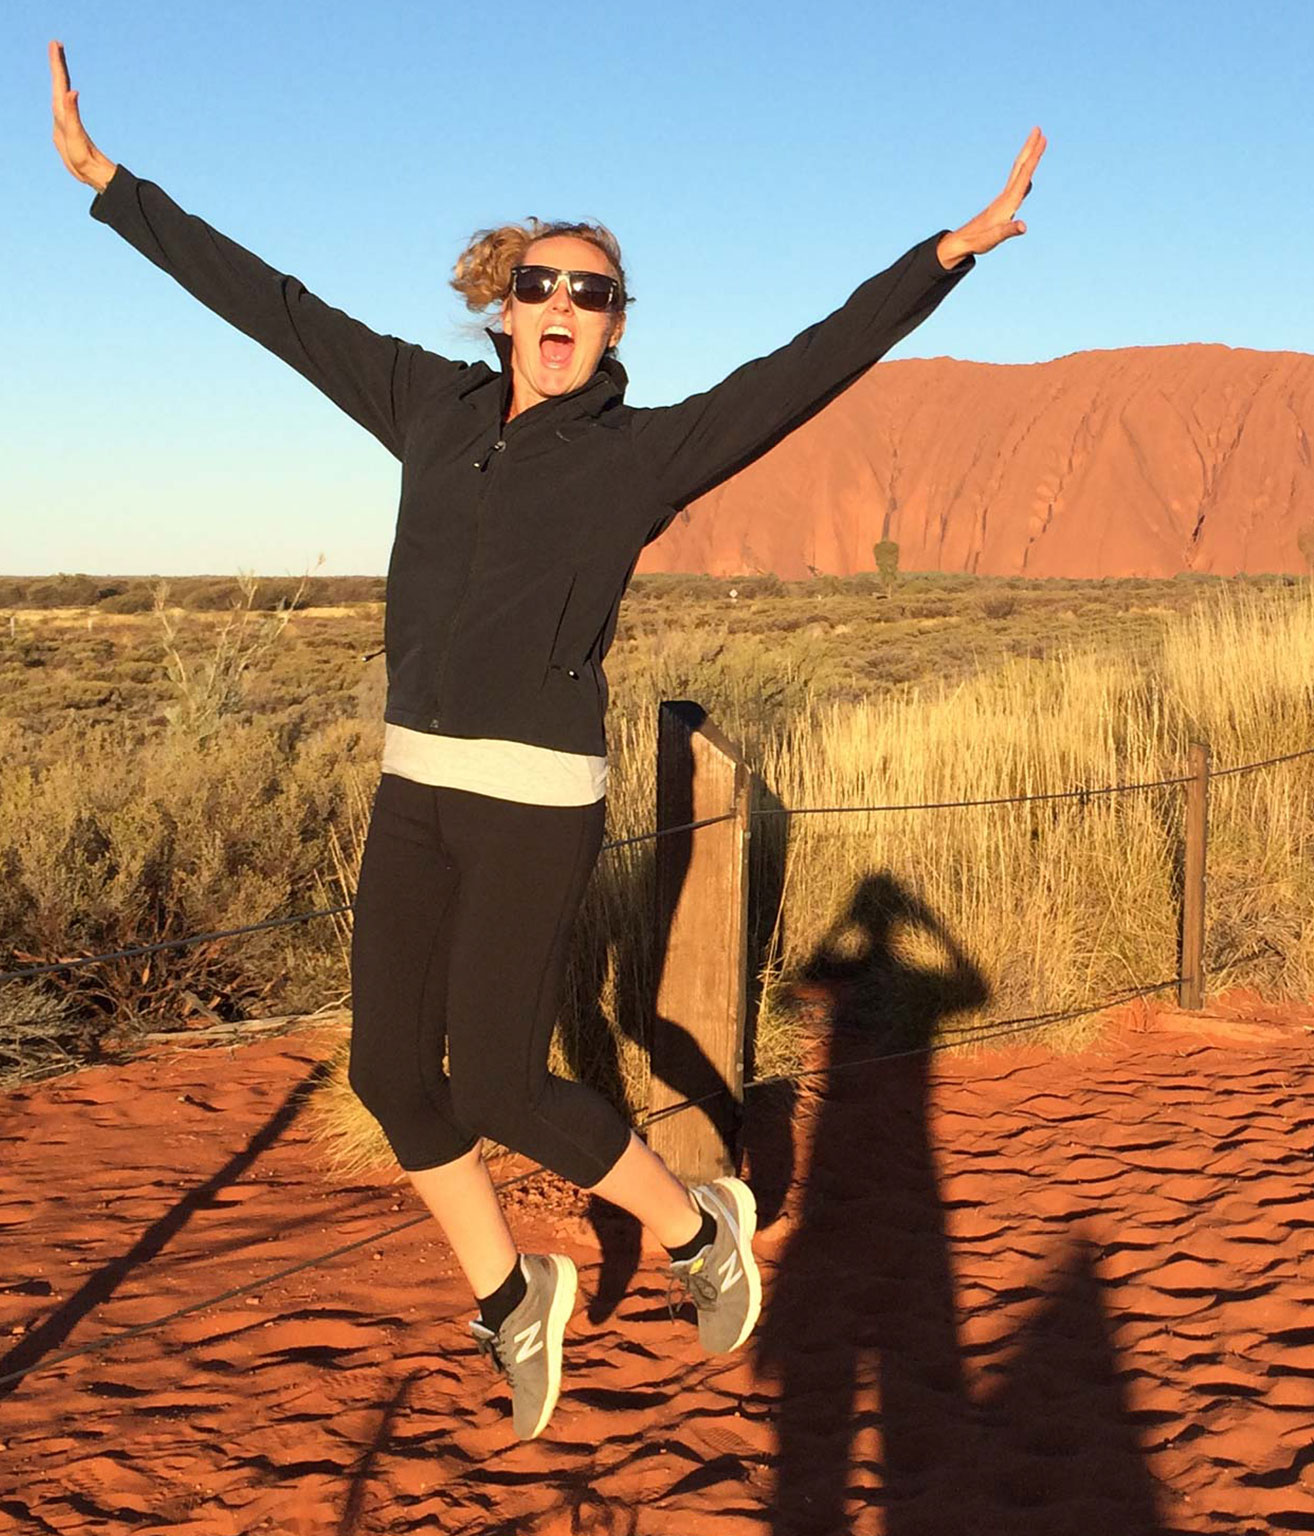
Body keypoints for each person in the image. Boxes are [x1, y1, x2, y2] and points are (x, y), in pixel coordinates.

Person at [49, 39, 1043, 1442]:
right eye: (542, 284)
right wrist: (109, 184)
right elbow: (271, 306)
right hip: (416, 791)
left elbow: (807, 369)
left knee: (505, 1079)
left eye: (593, 291)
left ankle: (698, 1227)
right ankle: (519, 1293)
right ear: (503, 309)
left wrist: (948, 253)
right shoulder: (423, 405)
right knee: (394, 1074)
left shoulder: (643, 456)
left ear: (616, 327)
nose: (564, 305)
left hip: (533, 803)